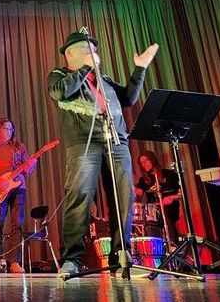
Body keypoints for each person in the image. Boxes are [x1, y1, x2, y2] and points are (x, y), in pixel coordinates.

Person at [48, 31, 158, 277]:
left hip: (116, 140)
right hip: (82, 142)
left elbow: (128, 97)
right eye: (86, 49)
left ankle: (121, 256)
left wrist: (140, 69)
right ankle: (72, 259)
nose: (93, 53)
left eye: (94, 50)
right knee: (80, 196)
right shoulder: (59, 75)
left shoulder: (103, 79)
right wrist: (85, 69)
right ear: (69, 54)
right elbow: (60, 92)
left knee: (123, 197)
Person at [0, 118, 33, 274]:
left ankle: (15, 262)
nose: (8, 132)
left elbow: (27, 169)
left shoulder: (20, 147)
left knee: (18, 224)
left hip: (19, 188)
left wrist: (30, 166)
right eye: (5, 129)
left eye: (10, 129)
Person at [135, 150, 182, 236]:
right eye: (141, 163)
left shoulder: (169, 174)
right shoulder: (143, 181)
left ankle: (171, 241)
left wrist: (170, 198)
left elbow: (181, 193)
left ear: (152, 160)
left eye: (146, 161)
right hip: (152, 215)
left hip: (169, 212)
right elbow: (139, 193)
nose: (144, 164)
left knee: (166, 219)